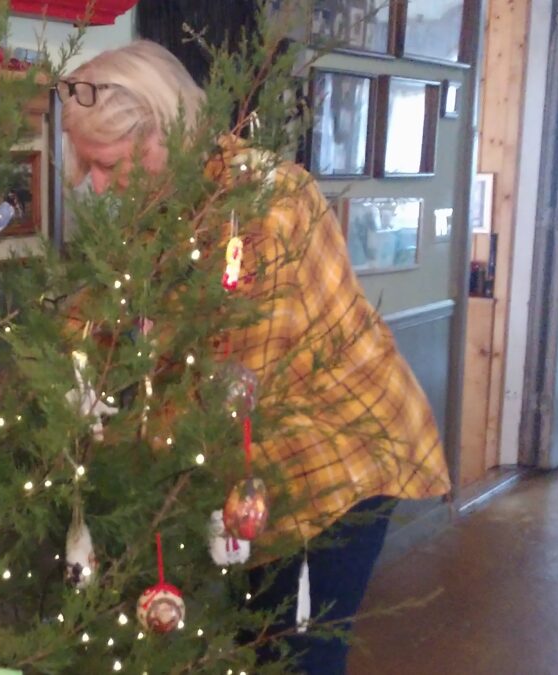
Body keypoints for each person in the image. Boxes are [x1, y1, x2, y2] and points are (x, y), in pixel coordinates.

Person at [59, 40, 450, 674]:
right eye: (89, 166)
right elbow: (111, 303)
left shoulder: (263, 207)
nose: (99, 186)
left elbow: (228, 387)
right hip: (257, 472)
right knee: (257, 642)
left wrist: (116, 445)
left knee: (298, 652)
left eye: (108, 166)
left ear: (166, 133)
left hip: (334, 459)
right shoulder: (165, 197)